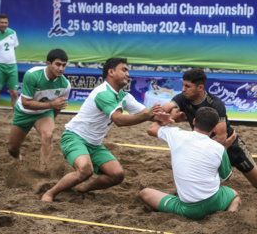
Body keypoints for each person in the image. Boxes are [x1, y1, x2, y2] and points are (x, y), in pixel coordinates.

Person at [41, 57, 169, 202]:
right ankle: (50, 193)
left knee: (117, 174)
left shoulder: (123, 96)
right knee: (85, 170)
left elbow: (148, 114)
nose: (128, 74)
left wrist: (165, 117)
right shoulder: (103, 93)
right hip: (74, 137)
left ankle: (83, 187)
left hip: (94, 145)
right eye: (124, 70)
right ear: (111, 72)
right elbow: (119, 120)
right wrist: (149, 115)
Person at [162, 68, 257, 192]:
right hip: (208, 147)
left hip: (231, 146)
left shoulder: (215, 103)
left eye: (187, 86)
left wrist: (202, 150)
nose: (183, 89)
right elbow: (166, 108)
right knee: (202, 180)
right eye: (183, 85)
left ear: (200, 87)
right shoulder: (183, 98)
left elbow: (221, 137)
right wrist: (171, 116)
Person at [139, 107, 241, 220]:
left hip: (187, 209)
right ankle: (228, 222)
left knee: (145, 193)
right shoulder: (219, 149)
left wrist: (165, 120)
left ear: (194, 121)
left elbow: (151, 129)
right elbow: (227, 177)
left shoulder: (176, 134)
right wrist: (225, 149)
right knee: (234, 195)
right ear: (214, 128)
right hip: (214, 202)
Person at [8, 49, 70, 172]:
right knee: (12, 149)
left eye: (64, 65)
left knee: (48, 135)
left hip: (44, 113)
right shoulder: (32, 75)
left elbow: (57, 108)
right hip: (24, 112)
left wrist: (50, 120)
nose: (61, 68)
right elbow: (26, 103)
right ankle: (17, 159)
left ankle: (43, 172)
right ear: (48, 63)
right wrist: (51, 105)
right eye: (58, 64)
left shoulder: (65, 84)